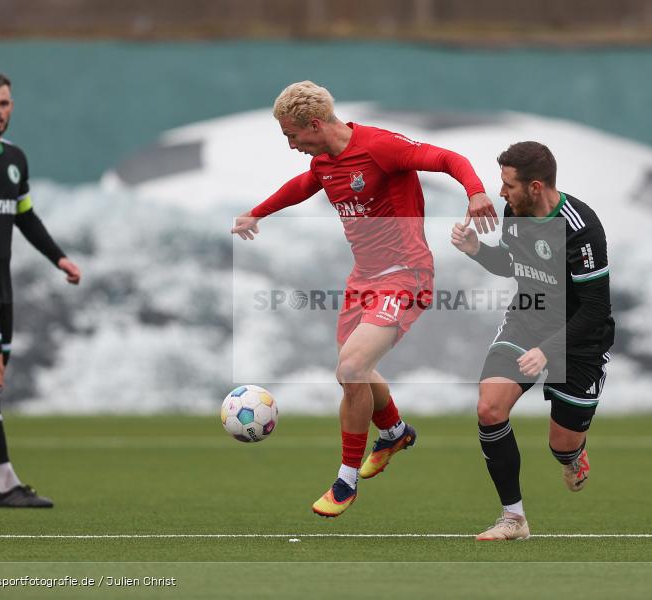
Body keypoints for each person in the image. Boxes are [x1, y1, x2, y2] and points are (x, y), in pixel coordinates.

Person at [232, 81, 497, 517]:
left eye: (292, 135)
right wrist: (258, 211)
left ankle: (346, 481)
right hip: (362, 281)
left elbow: (449, 158)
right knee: (353, 372)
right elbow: (304, 184)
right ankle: (393, 432)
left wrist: (476, 192)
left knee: (353, 367)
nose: (291, 144)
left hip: (406, 275)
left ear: (314, 124)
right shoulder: (323, 161)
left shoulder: (380, 147)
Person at [451, 141, 614, 540]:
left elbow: (594, 308)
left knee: (561, 443)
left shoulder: (582, 229)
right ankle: (514, 519)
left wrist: (549, 350)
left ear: (536, 186)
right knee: (489, 408)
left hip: (579, 339)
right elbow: (513, 265)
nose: (501, 193)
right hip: (526, 320)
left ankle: (572, 456)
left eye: (508, 185)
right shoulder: (514, 212)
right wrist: (477, 251)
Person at [0, 72, 81, 508]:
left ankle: (6, 486)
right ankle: (7, 486)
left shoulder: (15, 159)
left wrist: (58, 257)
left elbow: (25, 215)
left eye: (4, 103)